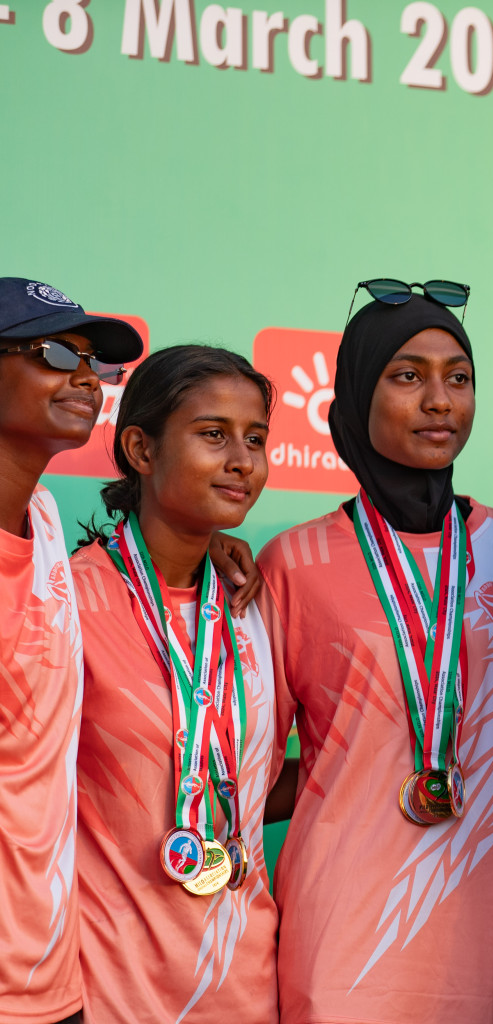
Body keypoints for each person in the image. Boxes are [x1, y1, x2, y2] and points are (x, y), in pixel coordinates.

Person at [258, 282, 493, 1023]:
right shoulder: (294, 560)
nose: (440, 401)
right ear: (356, 397)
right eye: (407, 376)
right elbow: (245, 766)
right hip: (346, 925)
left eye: (459, 377)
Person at [70, 346, 289, 1022]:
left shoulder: (257, 602)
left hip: (243, 985)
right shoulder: (67, 597)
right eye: (213, 434)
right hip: (104, 984)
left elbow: (266, 780)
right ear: (140, 448)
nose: (242, 460)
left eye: (256, 439)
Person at [0, 277, 143, 1024]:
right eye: (56, 353)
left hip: (51, 979)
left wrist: (215, 549)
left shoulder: (49, 518)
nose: (87, 379)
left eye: (97, 364)